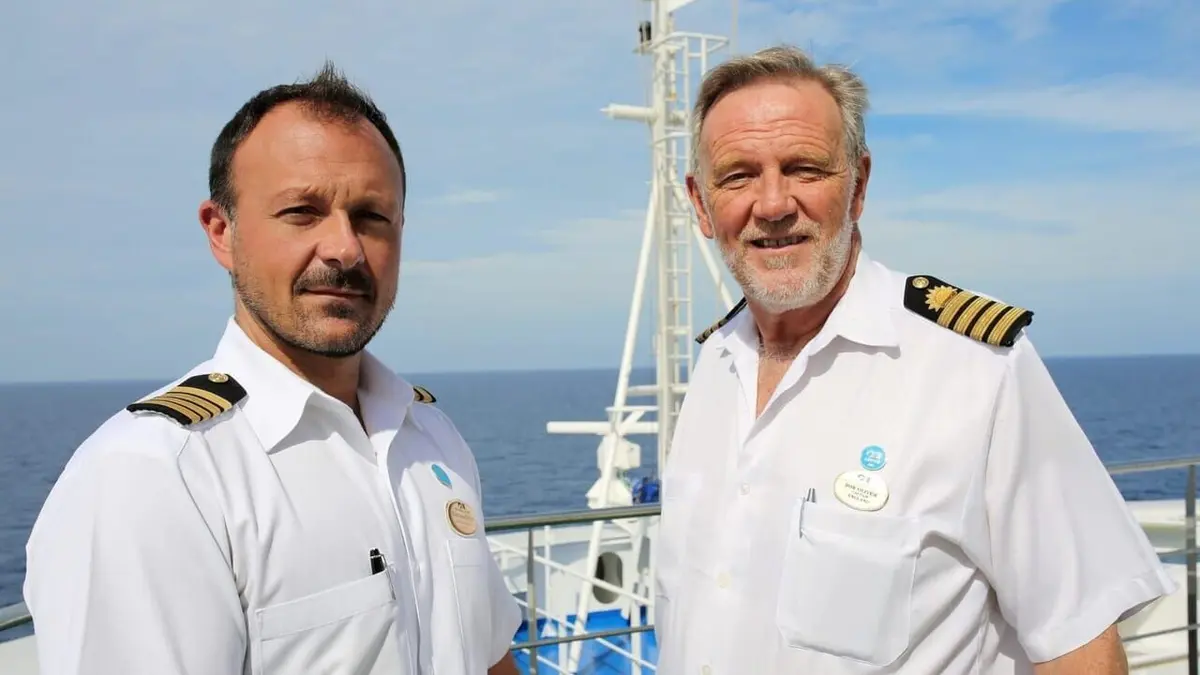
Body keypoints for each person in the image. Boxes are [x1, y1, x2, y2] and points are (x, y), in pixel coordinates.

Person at [653, 44, 1175, 674]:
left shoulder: (973, 369)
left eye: (805, 169)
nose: (772, 204)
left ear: (860, 185)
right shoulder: (716, 364)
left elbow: (1080, 644)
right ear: (701, 204)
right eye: (738, 175)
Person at [23, 62, 521, 675]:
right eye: (302, 212)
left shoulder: (431, 440)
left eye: (371, 217)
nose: (344, 248)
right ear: (222, 232)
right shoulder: (155, 477)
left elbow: (489, 655)